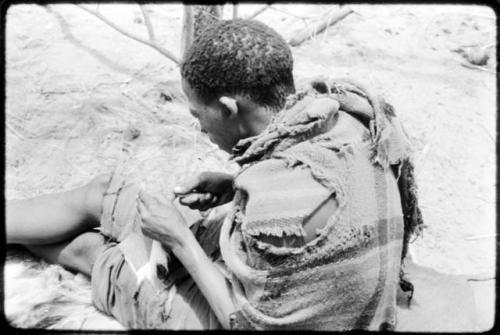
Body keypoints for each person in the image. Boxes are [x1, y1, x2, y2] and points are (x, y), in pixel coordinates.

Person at [7, 19, 426, 330]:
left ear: (228, 107)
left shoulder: (278, 212)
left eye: (198, 114)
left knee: (99, 253)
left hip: (240, 316)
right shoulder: (345, 118)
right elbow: (322, 200)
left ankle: (89, 258)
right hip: (296, 271)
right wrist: (231, 187)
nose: (200, 129)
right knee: (104, 192)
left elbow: (241, 324)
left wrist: (180, 240)